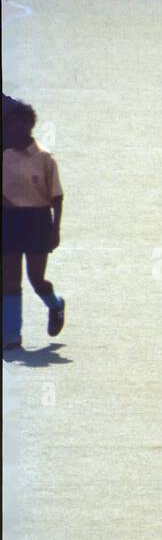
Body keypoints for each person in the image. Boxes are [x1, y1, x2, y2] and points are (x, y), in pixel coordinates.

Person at [2, 98, 65, 353]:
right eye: (12, 126)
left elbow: (57, 197)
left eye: (21, 125)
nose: (16, 130)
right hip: (11, 222)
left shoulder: (44, 158)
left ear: (30, 126)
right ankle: (12, 335)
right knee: (9, 280)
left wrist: (55, 229)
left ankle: (55, 304)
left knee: (36, 279)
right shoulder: (4, 156)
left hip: (38, 221)